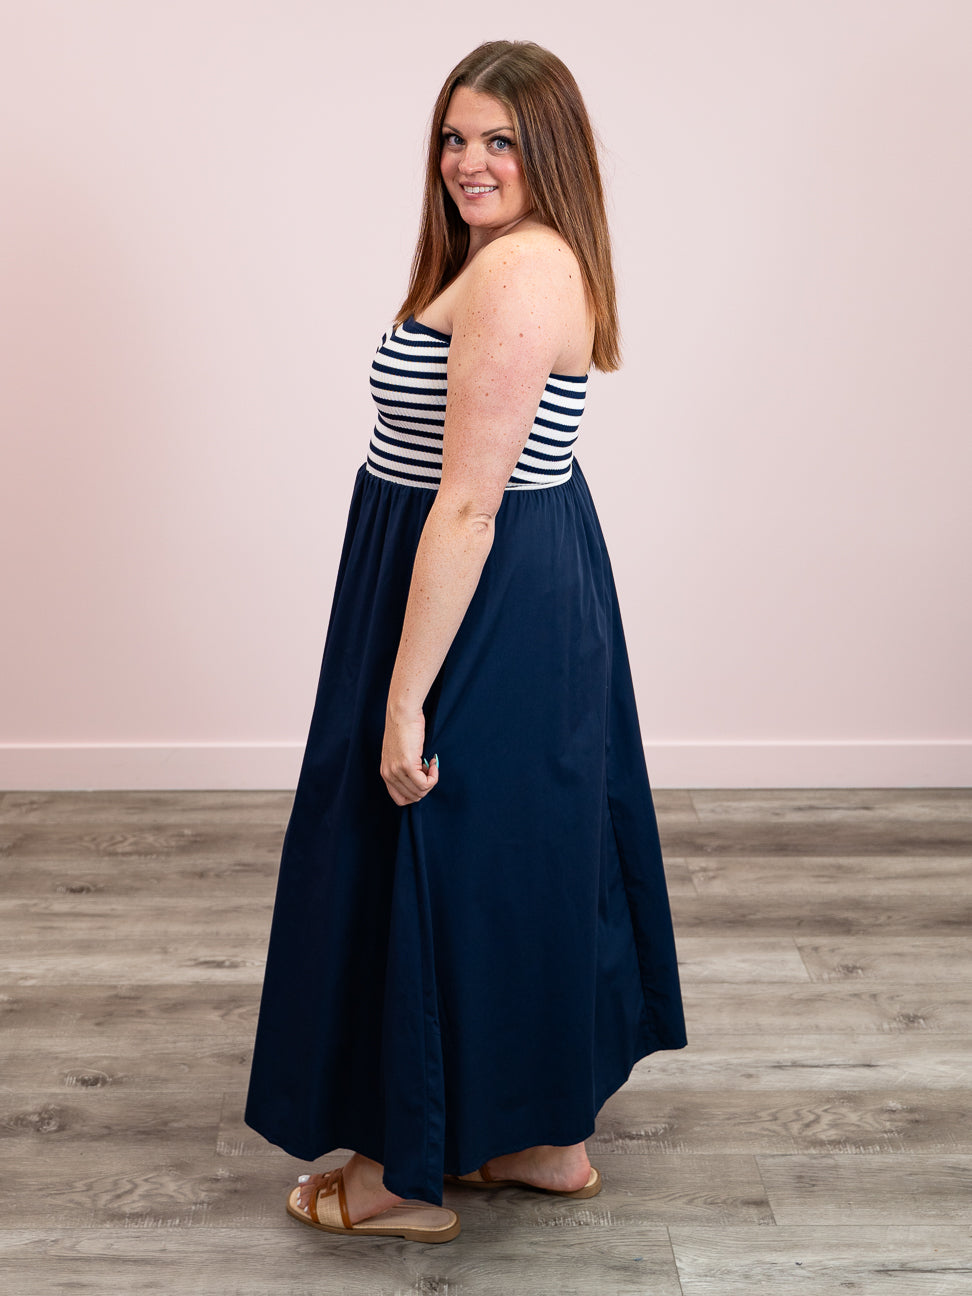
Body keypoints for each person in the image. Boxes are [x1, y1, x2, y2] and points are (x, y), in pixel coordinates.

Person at [244, 39, 687, 1244]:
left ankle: (403, 1175)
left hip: (480, 599)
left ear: (552, 154)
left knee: (435, 855)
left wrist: (403, 698)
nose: (468, 161)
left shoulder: (520, 272)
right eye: (455, 136)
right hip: (492, 587)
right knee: (509, 859)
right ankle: (544, 1142)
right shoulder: (508, 258)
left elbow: (472, 504)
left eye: (500, 140)